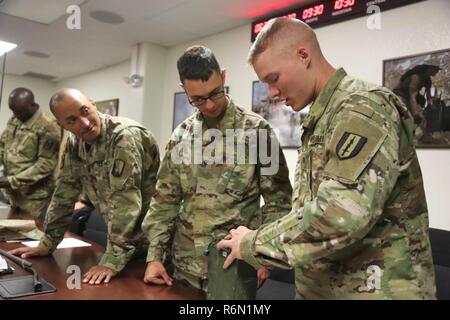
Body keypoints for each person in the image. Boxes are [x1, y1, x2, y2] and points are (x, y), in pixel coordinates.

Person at [217, 18, 436, 299]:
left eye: (273, 79)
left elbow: (341, 214)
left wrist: (253, 243)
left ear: (303, 55)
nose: (271, 93)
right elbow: (308, 207)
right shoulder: (323, 117)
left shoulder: (362, 107)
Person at [142, 45, 292, 299]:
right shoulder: (181, 136)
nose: (209, 105)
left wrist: (263, 256)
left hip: (233, 264)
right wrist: (154, 256)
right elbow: (164, 201)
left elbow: (279, 201)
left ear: (223, 76)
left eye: (215, 93)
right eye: (198, 99)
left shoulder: (257, 131)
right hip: (183, 267)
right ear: (184, 89)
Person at [9, 88, 160, 285]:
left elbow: (126, 204)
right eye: (72, 120)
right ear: (61, 125)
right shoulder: (75, 142)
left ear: (93, 104)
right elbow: (64, 192)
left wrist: (112, 260)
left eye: (85, 111)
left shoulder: (123, 136)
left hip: (151, 246)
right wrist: (48, 243)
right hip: (123, 245)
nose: (85, 123)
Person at [0, 87, 60, 218]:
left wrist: (12, 181)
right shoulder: (16, 117)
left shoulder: (48, 125)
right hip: (13, 193)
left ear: (32, 105)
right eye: (13, 110)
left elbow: (46, 164)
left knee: (28, 235)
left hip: (34, 198)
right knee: (8, 234)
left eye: (19, 111)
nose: (15, 115)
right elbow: (3, 145)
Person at [393, 63, 441, 143]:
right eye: (436, 69)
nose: (437, 71)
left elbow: (428, 97)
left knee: (422, 116)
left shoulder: (428, 80)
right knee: (408, 117)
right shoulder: (416, 77)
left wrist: (431, 106)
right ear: (429, 68)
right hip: (400, 97)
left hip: (411, 97)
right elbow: (413, 97)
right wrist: (415, 114)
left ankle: (424, 137)